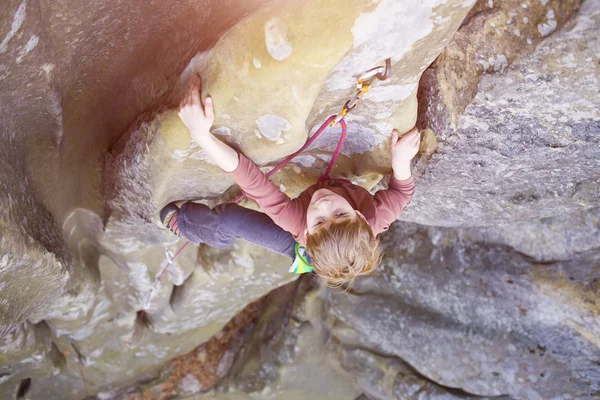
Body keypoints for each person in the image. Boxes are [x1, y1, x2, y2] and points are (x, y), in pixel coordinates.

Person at [168, 74, 419, 286]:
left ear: (308, 234)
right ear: (361, 217)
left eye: (320, 220)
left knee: (231, 219)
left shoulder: (297, 222)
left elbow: (255, 184)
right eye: (341, 214)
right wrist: (400, 164)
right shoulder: (374, 217)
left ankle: (186, 225)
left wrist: (201, 136)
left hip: (309, 251)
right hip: (326, 246)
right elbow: (402, 193)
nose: (324, 205)